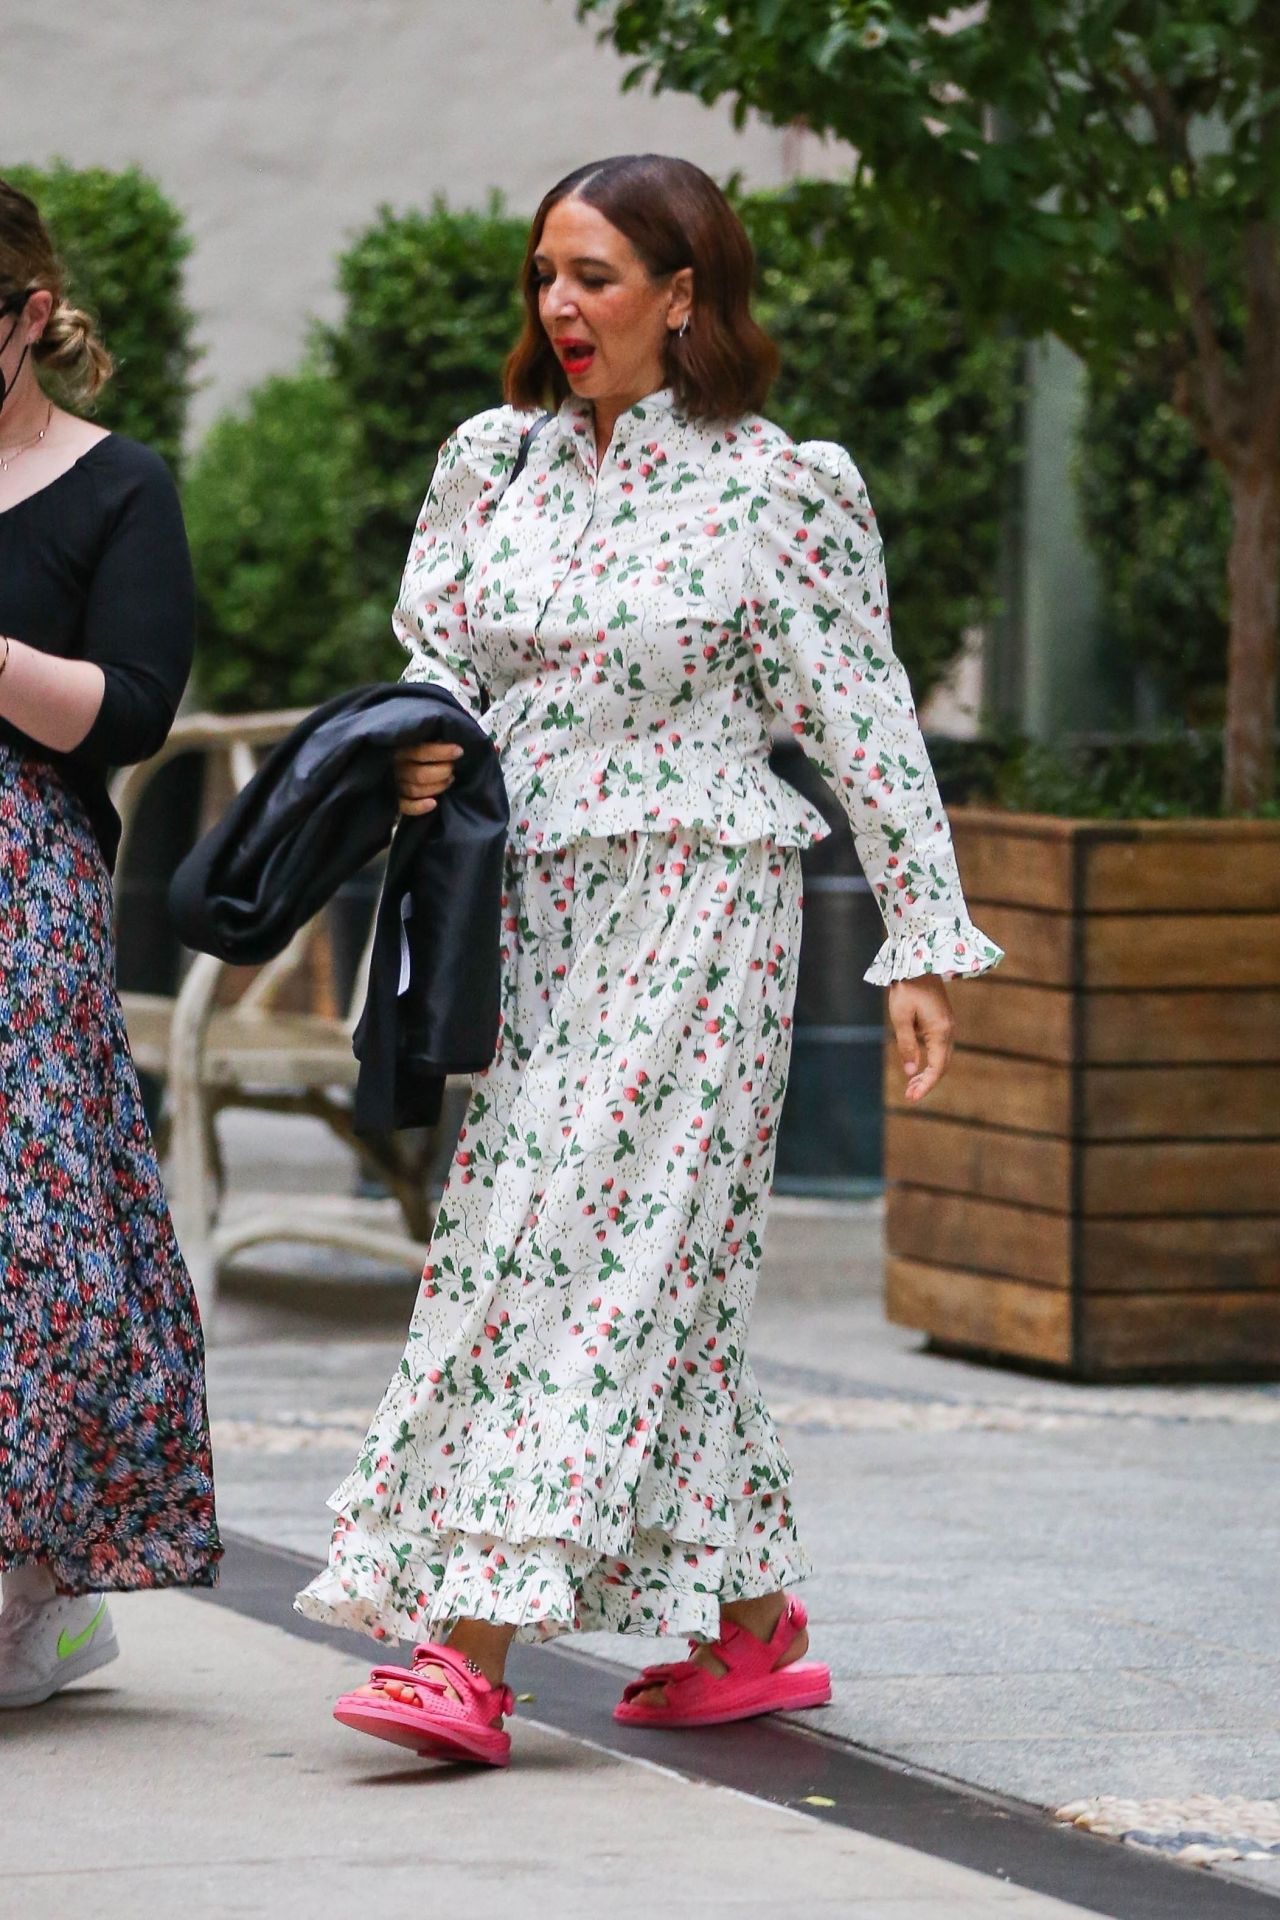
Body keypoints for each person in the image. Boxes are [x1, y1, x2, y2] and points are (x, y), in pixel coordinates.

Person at [297, 153, 1001, 1765]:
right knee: (633, 1270)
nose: (560, 306)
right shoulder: (494, 462)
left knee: (565, 1262)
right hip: (528, 916)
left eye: (597, 276)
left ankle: (462, 1651)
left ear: (685, 297)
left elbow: (864, 719)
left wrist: (920, 940)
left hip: (703, 910)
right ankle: (751, 1633)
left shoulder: (778, 485)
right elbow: (437, 660)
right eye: (547, 272)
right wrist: (418, 749)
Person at [0, 178, 221, 1709]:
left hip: (22, 868)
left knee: (30, 1234)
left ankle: (32, 1573)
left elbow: (132, 711)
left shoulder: (115, 482)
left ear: (27, 318)